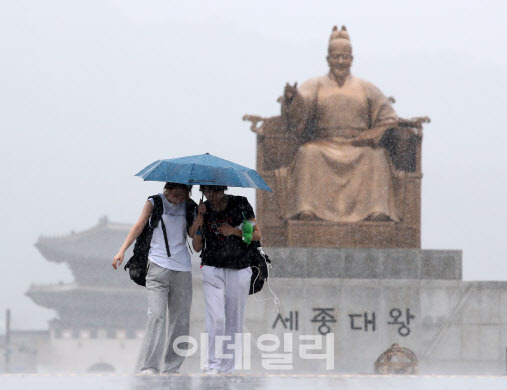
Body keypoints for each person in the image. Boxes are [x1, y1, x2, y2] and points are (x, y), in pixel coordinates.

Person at [275, 25, 400, 222]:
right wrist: (292, 99)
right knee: (307, 153)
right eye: (336, 57)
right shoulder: (315, 84)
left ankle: (377, 211)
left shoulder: (367, 88)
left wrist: (375, 133)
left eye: (345, 57)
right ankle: (307, 210)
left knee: (377, 157)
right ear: (328, 59)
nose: (340, 62)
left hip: (358, 146)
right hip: (324, 144)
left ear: (352, 59)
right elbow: (301, 109)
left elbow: (388, 117)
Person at [112, 182, 199, 374]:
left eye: (182, 192)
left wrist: (200, 216)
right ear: (167, 189)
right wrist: (121, 251)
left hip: (182, 269)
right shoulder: (154, 202)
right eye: (174, 192)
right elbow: (139, 226)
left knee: (180, 320)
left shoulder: (191, 206)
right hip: (157, 267)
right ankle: (150, 366)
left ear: (188, 192)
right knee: (157, 316)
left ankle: (172, 367)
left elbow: (193, 235)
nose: (177, 196)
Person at [191, 185, 261, 374]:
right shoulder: (202, 210)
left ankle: (227, 368)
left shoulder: (241, 204)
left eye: (216, 191)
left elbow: (256, 235)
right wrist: (199, 219)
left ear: (224, 189)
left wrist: (233, 231)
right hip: (212, 269)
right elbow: (197, 247)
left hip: (239, 268)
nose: (212, 196)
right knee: (216, 318)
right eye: (207, 192)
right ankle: (211, 365)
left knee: (234, 321)